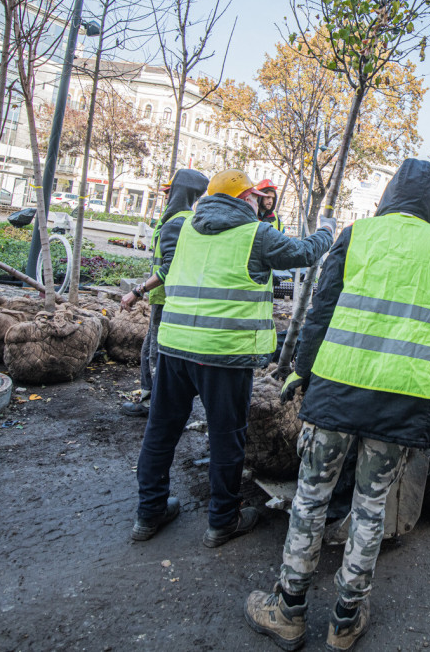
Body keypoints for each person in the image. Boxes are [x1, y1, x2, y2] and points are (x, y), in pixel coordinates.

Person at [244, 158, 430, 652]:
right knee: (370, 507)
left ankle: (287, 610)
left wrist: (299, 372)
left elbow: (320, 311)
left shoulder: (358, 234)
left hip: (337, 391)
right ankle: (346, 619)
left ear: (390, 193)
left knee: (311, 498)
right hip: (401, 404)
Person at [130, 169, 334, 547]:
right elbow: (305, 252)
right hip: (224, 355)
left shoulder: (187, 226)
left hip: (175, 349)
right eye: (255, 196)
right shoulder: (256, 234)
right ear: (244, 199)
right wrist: (327, 230)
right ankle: (223, 519)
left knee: (160, 432)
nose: (259, 202)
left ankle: (149, 512)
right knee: (227, 439)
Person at [119, 169, 209, 417]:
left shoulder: (177, 222)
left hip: (166, 298)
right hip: (167, 298)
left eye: (170, 190)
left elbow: (170, 267)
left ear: (180, 191)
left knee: (155, 353)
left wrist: (137, 291)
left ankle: (158, 405)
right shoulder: (183, 219)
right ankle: (151, 397)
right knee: (151, 349)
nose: (166, 195)